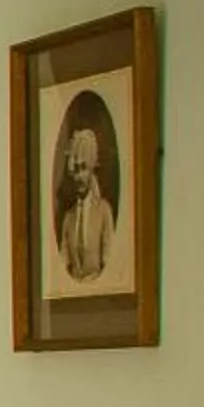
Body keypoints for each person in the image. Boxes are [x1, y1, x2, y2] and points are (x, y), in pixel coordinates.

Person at [53, 94, 120, 286]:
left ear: (91, 168)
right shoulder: (68, 219)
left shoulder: (104, 212)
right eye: (75, 170)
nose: (78, 177)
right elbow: (61, 269)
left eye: (83, 168)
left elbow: (109, 265)